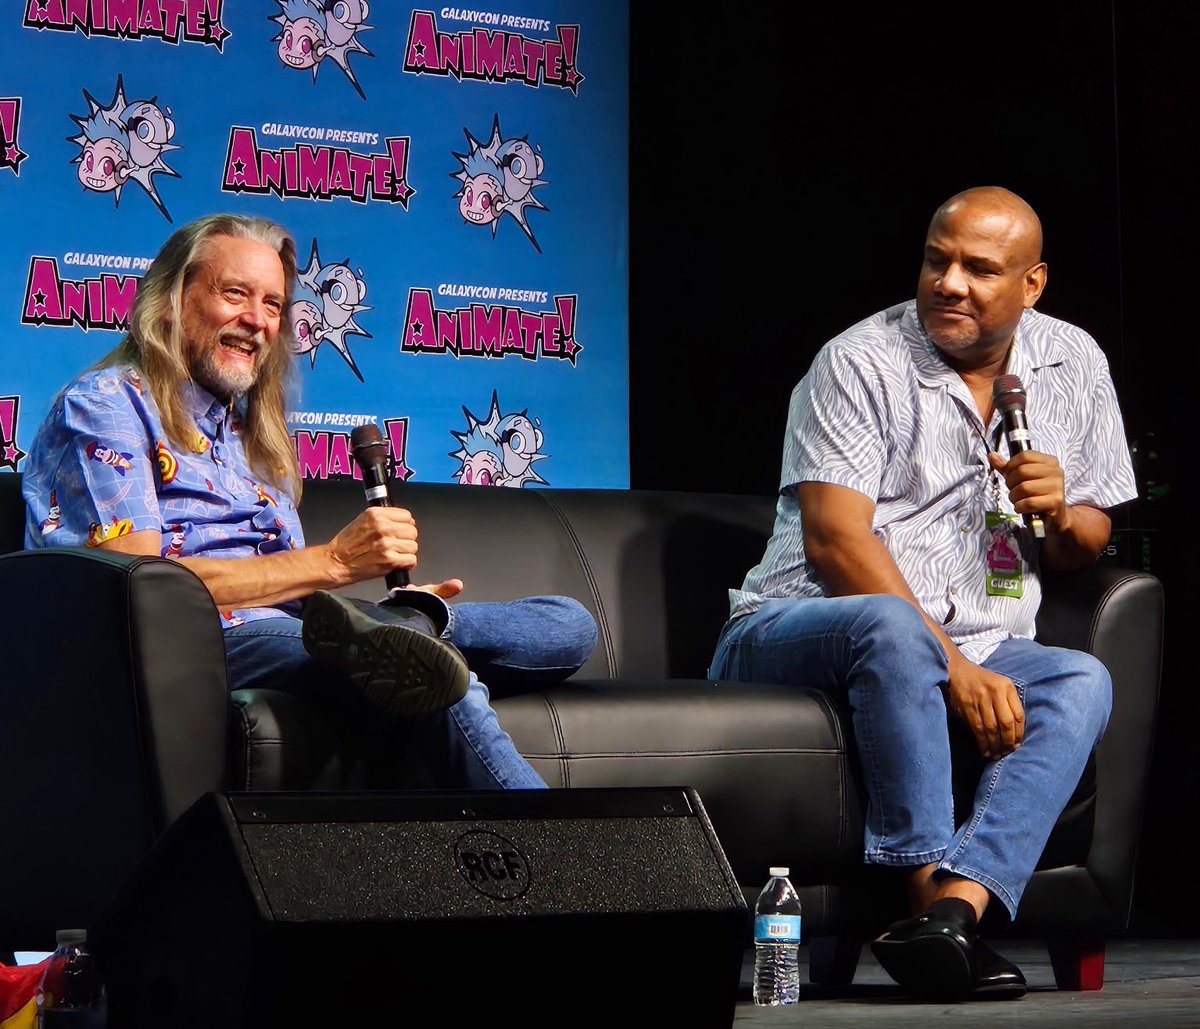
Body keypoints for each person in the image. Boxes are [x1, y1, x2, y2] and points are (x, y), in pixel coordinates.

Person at [708, 187, 1136, 1001]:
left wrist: (1061, 509)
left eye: (980, 268)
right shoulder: (859, 361)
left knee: (1081, 678)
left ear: (1032, 285)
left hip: (982, 634)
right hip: (797, 626)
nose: (949, 282)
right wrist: (955, 669)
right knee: (891, 626)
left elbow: (1088, 541)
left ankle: (953, 915)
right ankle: (920, 893)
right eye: (938, 259)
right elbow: (837, 543)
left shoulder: (1073, 361)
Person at [22, 213, 597, 791]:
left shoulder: (252, 436)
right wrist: (337, 563)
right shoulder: (106, 405)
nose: (257, 320)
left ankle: (410, 628)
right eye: (235, 294)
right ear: (169, 300)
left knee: (564, 626)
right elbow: (135, 587)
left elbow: (292, 596)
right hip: (191, 642)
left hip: (289, 633)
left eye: (273, 305)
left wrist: (399, 611)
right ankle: (557, 867)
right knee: (431, 671)